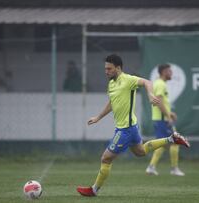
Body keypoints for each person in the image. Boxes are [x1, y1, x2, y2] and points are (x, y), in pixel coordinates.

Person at [76, 54, 190, 197]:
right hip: (130, 127)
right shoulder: (111, 83)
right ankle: (171, 139)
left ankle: (94, 190)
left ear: (118, 68)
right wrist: (98, 117)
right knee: (140, 152)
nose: (106, 71)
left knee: (105, 158)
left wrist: (149, 94)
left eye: (109, 69)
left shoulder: (128, 79)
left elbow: (148, 82)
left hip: (126, 129)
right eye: (105, 68)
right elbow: (112, 102)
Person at [145, 64, 185, 176]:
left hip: (161, 118)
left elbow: (162, 103)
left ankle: (151, 167)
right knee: (175, 142)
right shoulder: (160, 84)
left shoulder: (159, 84)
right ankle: (174, 169)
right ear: (163, 72)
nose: (171, 73)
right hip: (162, 119)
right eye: (169, 71)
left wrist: (170, 113)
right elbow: (159, 102)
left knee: (162, 144)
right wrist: (168, 116)